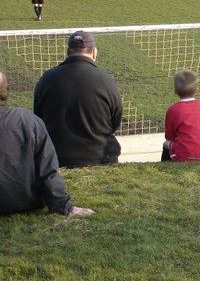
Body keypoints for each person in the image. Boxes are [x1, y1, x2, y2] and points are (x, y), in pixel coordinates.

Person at [0, 72, 94, 216]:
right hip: (24, 201)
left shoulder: (27, 120)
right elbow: (47, 168)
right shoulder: (28, 120)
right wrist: (62, 206)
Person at [34, 30, 123, 168]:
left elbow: (38, 118)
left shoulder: (47, 79)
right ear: (94, 52)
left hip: (56, 157)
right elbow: (115, 120)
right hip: (101, 157)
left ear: (68, 51)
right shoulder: (106, 80)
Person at [163, 69, 200, 162]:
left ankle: (166, 163)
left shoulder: (173, 109)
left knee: (166, 144)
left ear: (175, 90)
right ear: (196, 89)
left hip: (184, 156)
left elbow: (169, 136)